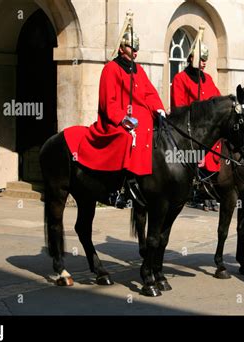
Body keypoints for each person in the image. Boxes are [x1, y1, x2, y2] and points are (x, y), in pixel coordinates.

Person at [63, 15, 166, 206]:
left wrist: (159, 109)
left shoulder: (138, 70)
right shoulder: (111, 69)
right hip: (114, 122)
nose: (134, 53)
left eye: (136, 49)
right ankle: (115, 188)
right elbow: (107, 103)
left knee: (156, 134)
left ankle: (144, 181)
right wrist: (123, 120)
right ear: (121, 48)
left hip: (139, 120)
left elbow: (150, 93)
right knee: (126, 137)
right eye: (131, 48)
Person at [170, 35, 221, 212]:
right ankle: (197, 191)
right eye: (201, 59)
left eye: (206, 60)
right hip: (190, 128)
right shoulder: (180, 79)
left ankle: (211, 191)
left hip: (208, 128)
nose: (204, 63)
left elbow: (217, 98)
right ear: (191, 58)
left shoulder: (207, 79)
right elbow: (179, 107)